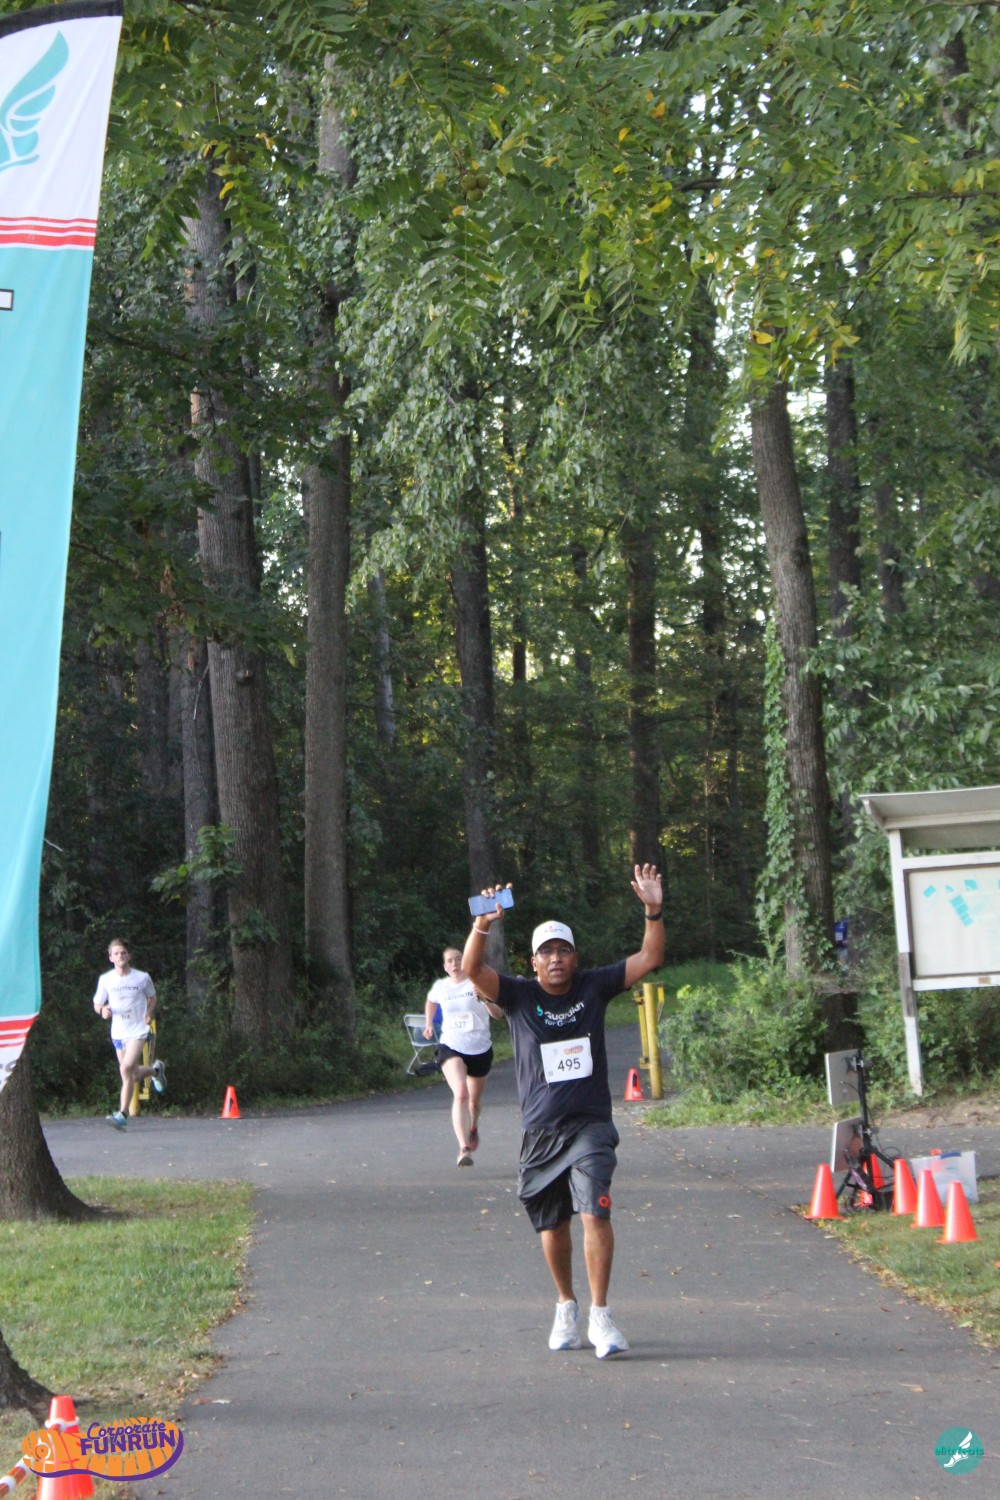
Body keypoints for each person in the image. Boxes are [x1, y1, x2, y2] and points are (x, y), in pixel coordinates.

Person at [461, 864, 664, 1358]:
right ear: (533, 962)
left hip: (590, 1125)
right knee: (552, 1226)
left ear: (575, 958)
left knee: (595, 1210)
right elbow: (472, 970)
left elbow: (649, 957)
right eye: (547, 952)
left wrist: (653, 911)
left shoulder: (593, 986)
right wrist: (483, 924)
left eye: (563, 950)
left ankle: (601, 1316)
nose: (556, 959)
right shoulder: (518, 995)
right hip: (541, 1131)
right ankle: (566, 1305)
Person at [424, 946, 502, 1168]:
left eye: (458, 959)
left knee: (474, 1103)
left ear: (465, 961)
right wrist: (429, 1023)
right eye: (450, 961)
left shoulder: (478, 983)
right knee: (461, 1094)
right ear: (445, 966)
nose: (455, 964)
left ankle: (473, 1126)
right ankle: (464, 1148)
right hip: (451, 1046)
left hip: (479, 1048)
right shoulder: (441, 987)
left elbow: (498, 1015)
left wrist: (485, 999)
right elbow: (431, 1001)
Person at [93, 938, 166, 1130]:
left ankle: (122, 1114)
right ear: (110, 958)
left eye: (123, 953)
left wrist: (148, 1013)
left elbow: (152, 998)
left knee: (125, 1069)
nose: (120, 956)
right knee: (132, 1075)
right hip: (118, 1032)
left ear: (129, 956)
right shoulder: (106, 979)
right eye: (116, 953)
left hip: (138, 1030)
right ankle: (156, 1071)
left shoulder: (142, 977)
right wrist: (103, 1011)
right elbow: (97, 1004)